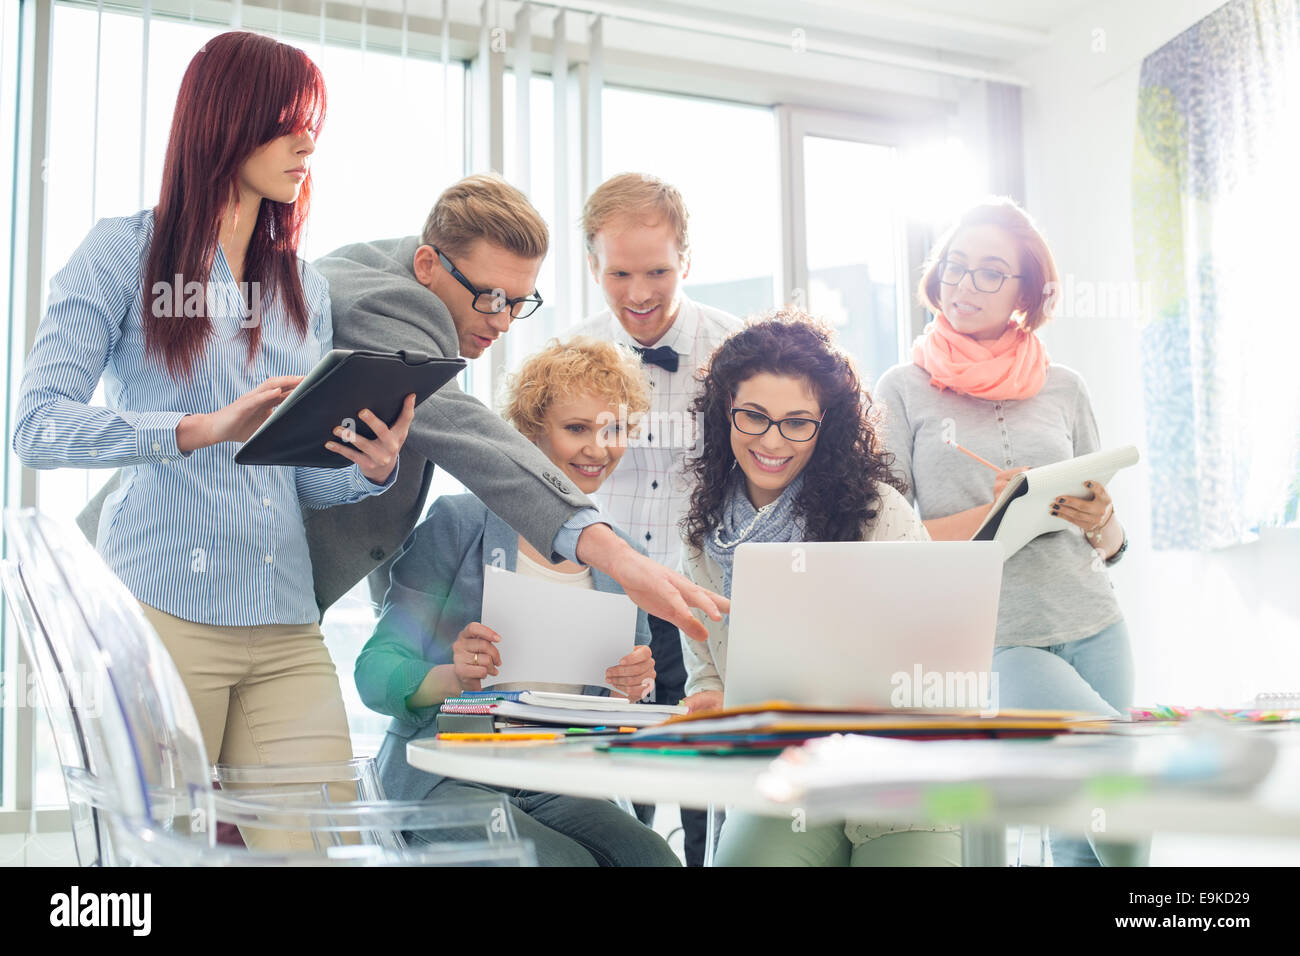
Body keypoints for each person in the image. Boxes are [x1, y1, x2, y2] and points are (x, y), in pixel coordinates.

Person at [11, 32, 415, 848]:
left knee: (316, 851)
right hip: (161, 614)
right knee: (156, 858)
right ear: (226, 123)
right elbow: (36, 426)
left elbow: (298, 474)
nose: (308, 144)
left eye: (315, 126)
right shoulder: (122, 253)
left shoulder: (304, 287)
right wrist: (195, 430)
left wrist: (369, 470)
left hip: (284, 623)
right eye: (288, 123)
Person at [77, 174, 729, 643]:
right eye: (490, 299)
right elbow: (464, 431)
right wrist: (612, 552)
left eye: (518, 302)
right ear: (428, 264)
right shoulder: (384, 302)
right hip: (162, 574)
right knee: (172, 806)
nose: (502, 322)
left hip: (242, 592)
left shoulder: (407, 283)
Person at [871, 197, 1144, 867]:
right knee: (1118, 774)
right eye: (956, 266)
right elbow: (889, 543)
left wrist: (1101, 520)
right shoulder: (902, 389)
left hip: (1096, 622)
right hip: (998, 637)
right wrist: (1002, 510)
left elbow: (1108, 545)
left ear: (1026, 290)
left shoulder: (1064, 387)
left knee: (1080, 832)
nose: (966, 285)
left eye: (992, 272)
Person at [355, 337, 679, 866]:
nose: (599, 449)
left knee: (655, 860)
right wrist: (453, 675)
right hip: (449, 772)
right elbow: (374, 673)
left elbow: (624, 703)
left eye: (614, 429)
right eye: (576, 428)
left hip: (556, 778)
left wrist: (634, 687)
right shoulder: (458, 523)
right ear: (529, 433)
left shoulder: (619, 557)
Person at [678, 312, 961, 867]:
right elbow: (708, 671)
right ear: (724, 413)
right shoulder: (703, 537)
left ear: (824, 425)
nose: (771, 441)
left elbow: (940, 662)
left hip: (899, 777)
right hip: (787, 777)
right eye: (753, 416)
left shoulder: (880, 513)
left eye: (796, 422)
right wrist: (710, 702)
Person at [569, 172, 740, 864]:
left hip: (706, 600)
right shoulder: (570, 359)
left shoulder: (738, 353)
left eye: (658, 271)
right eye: (619, 273)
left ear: (687, 262)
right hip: (607, 602)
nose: (639, 293)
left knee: (709, 790)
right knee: (615, 794)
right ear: (592, 266)